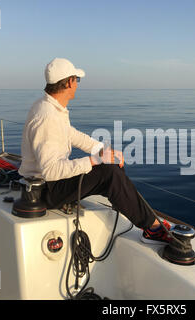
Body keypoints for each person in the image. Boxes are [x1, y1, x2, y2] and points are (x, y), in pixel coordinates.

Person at [18, 58, 171, 244]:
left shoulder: (49, 107)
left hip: (47, 185)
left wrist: (104, 150)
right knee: (109, 172)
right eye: (77, 80)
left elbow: (72, 135)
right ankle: (153, 229)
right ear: (68, 82)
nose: (77, 85)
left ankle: (131, 207)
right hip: (45, 191)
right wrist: (94, 160)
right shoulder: (47, 117)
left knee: (110, 165)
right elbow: (51, 171)